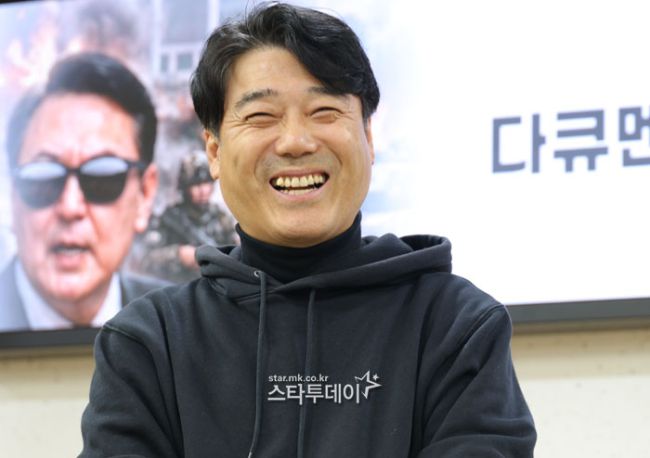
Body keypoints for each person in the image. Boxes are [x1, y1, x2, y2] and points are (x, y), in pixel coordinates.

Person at [80, 4, 536, 457]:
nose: (296, 142)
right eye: (261, 117)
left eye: (324, 111)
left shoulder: (455, 326)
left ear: (368, 138)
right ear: (214, 151)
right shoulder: (148, 342)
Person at [0, 52, 165, 331]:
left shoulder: (184, 328)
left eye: (102, 179)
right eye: (44, 178)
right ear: (12, 195)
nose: (70, 207)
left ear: (145, 195)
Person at [135, 151, 237, 283]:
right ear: (185, 188)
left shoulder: (221, 218)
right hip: (180, 286)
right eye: (196, 184)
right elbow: (144, 261)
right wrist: (179, 255)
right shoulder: (169, 218)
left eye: (206, 183)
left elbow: (238, 255)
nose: (203, 190)